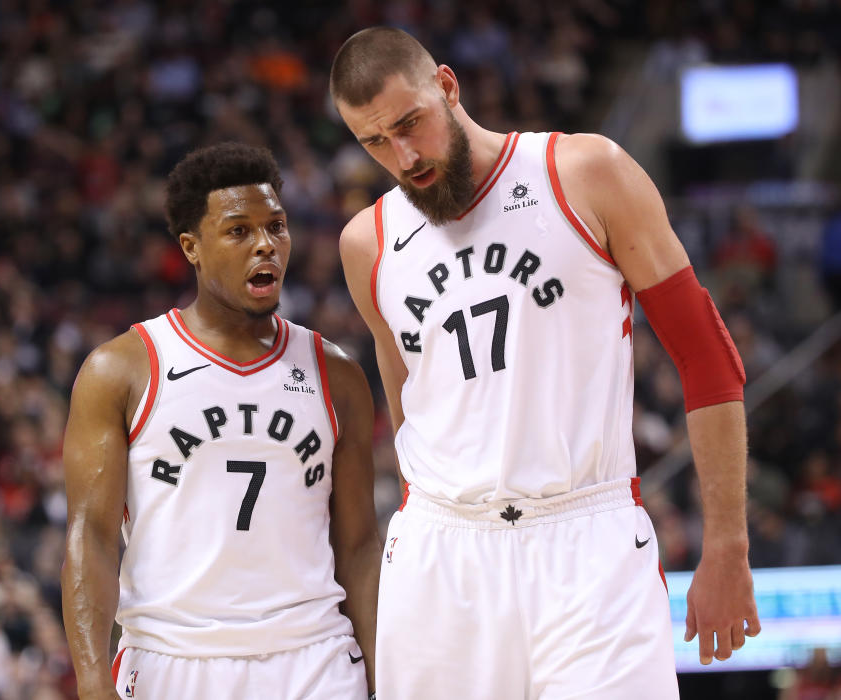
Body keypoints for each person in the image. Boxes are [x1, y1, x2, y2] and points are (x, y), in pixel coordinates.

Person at [330, 27, 761, 699]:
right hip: (442, 555)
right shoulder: (367, 243)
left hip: (586, 543)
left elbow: (707, 358)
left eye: (410, 123)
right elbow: (408, 401)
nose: (403, 154)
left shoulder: (584, 172)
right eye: (374, 142)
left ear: (447, 85)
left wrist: (727, 546)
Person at [61, 142, 380, 699]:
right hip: (173, 659)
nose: (266, 245)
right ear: (192, 247)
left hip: (315, 659)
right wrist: (91, 681)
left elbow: (357, 546)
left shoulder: (338, 374)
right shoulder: (122, 369)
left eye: (276, 226)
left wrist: (387, 677)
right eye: (239, 231)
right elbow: (91, 535)